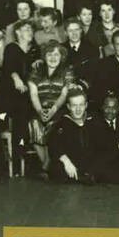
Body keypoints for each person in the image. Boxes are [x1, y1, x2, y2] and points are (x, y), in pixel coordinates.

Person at [28, 40, 77, 178]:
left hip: (59, 109)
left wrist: (53, 110)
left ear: (61, 56)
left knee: (53, 126)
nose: (53, 57)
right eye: (49, 54)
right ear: (44, 56)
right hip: (39, 108)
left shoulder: (67, 71)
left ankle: (45, 167)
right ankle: (47, 164)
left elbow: (64, 94)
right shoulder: (37, 70)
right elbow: (33, 93)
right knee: (34, 124)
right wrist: (39, 110)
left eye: (56, 54)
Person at [0, 20, 40, 173]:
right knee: (19, 106)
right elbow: (10, 67)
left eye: (31, 29)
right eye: (26, 29)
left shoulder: (34, 50)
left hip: (26, 92)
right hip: (10, 91)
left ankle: (20, 153)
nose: (30, 31)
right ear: (18, 32)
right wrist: (17, 79)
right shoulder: (11, 48)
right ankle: (16, 156)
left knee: (24, 107)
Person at [45, 88, 97, 184]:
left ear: (86, 105)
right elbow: (53, 145)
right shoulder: (62, 123)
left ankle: (86, 176)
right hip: (70, 163)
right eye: (74, 105)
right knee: (58, 170)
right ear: (68, 106)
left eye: (81, 105)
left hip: (88, 163)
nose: (78, 109)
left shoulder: (93, 121)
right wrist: (65, 161)